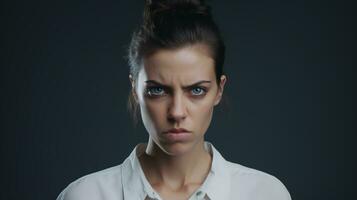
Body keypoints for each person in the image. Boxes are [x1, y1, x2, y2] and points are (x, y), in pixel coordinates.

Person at [57, 0, 291, 199]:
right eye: (158, 90)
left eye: (197, 90)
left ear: (219, 90)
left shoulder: (265, 193)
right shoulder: (85, 195)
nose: (177, 112)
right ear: (134, 90)